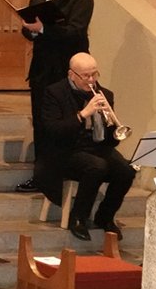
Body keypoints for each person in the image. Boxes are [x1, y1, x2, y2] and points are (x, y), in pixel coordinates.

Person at [17, 0, 93, 195]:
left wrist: (45, 29)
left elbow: (75, 31)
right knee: (41, 123)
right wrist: (31, 29)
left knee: (62, 125)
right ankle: (41, 177)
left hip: (65, 68)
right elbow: (31, 28)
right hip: (42, 67)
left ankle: (60, 176)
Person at [38, 53, 134, 241]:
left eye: (94, 74)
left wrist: (114, 130)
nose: (91, 80)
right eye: (85, 76)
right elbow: (53, 131)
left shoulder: (105, 95)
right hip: (66, 149)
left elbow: (110, 141)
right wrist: (82, 114)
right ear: (71, 74)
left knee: (127, 170)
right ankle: (79, 217)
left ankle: (104, 217)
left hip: (97, 147)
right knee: (97, 167)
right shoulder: (54, 93)